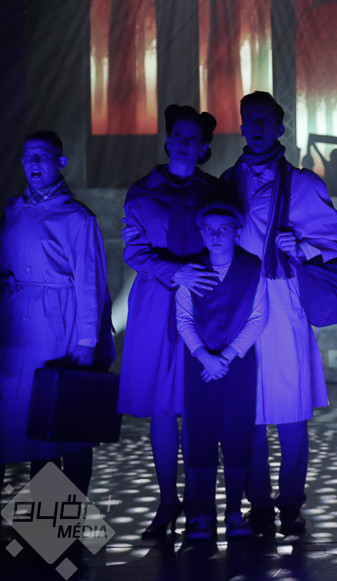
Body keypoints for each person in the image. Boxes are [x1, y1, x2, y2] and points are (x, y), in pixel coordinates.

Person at [223, 91, 337, 536]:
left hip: (284, 299)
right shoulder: (228, 181)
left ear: (280, 128)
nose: (258, 126)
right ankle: (259, 502)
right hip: (242, 302)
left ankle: (290, 502)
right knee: (250, 408)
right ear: (242, 127)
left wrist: (301, 246)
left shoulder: (302, 184)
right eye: (250, 119)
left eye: (266, 119)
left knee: (292, 407)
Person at [119, 105, 222, 538]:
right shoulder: (143, 191)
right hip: (154, 305)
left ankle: (199, 504)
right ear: (166, 141)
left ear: (203, 148)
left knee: (198, 407)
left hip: (201, 304)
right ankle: (167, 501)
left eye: (192, 138)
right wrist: (174, 271)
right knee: (162, 408)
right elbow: (133, 250)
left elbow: (224, 242)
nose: (183, 143)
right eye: (177, 135)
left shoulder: (214, 192)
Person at [1, 131, 112, 495]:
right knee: (31, 425)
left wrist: (86, 340)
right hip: (18, 326)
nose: (34, 163)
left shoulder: (77, 219)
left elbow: (90, 283)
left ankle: (68, 518)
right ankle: (45, 521)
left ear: (60, 163)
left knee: (65, 421)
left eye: (43, 156)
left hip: (59, 326)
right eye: (28, 156)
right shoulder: (14, 211)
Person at [175, 201, 267, 541]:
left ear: (236, 232)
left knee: (236, 432)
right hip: (199, 364)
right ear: (201, 232)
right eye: (209, 229)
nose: (215, 235)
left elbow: (259, 317)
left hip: (238, 363)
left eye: (223, 229)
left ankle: (234, 512)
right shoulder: (191, 269)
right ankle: (204, 514)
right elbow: (183, 318)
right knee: (200, 432)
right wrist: (204, 356)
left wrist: (226, 356)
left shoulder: (252, 267)